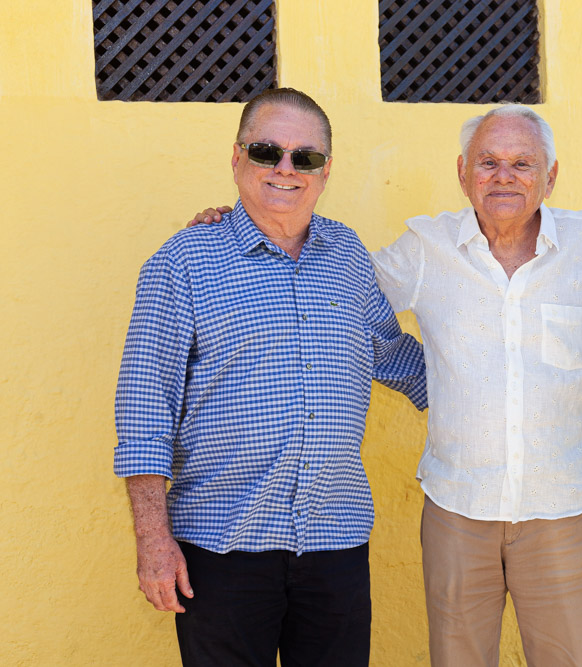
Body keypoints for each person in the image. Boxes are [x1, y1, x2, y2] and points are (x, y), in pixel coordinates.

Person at [189, 104, 582, 666]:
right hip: (457, 511)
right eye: (488, 162)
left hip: (562, 512)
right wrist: (245, 224)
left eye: (522, 163)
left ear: (550, 176)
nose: (504, 176)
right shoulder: (426, 248)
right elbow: (330, 290)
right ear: (463, 174)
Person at [114, 88, 427, 666]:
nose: (286, 168)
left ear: (325, 171)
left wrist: (500, 392)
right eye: (267, 152)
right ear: (237, 158)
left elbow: (392, 355)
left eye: (305, 157)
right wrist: (153, 540)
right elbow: (143, 411)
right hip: (221, 548)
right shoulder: (183, 261)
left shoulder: (347, 254)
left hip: (335, 543)